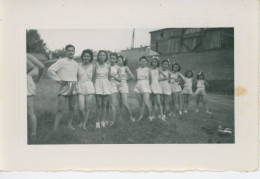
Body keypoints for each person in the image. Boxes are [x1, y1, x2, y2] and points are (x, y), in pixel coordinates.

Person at [48, 44, 79, 131]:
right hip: (65, 85)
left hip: (74, 85)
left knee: (72, 107)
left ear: (74, 52)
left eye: (72, 51)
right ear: (66, 52)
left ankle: (69, 124)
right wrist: (58, 80)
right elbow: (50, 70)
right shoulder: (61, 61)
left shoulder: (76, 64)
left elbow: (76, 75)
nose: (70, 52)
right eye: (69, 50)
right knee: (60, 108)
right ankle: (55, 128)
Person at [27, 53, 45, 141]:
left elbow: (30, 66)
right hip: (29, 81)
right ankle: (33, 134)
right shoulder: (28, 55)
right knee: (30, 111)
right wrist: (37, 79)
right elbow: (41, 67)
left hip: (23, 80)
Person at [76, 49, 95, 130]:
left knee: (87, 107)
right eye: (85, 56)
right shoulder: (78, 65)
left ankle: (84, 124)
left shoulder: (93, 66)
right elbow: (76, 77)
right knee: (81, 108)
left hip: (89, 87)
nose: (86, 57)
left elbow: (94, 78)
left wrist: (91, 85)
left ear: (90, 57)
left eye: (88, 56)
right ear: (82, 56)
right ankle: (81, 120)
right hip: (80, 86)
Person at [93, 50, 112, 128]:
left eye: (103, 55)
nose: (102, 57)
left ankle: (103, 121)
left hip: (106, 85)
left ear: (106, 57)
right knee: (99, 104)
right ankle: (97, 122)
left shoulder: (108, 66)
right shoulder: (95, 65)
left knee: (104, 104)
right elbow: (93, 77)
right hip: (97, 84)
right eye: (100, 55)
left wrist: (107, 85)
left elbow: (109, 77)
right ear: (98, 56)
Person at [117, 55, 135, 122]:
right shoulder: (116, 67)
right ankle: (121, 117)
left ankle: (131, 117)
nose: (118, 61)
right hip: (117, 85)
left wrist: (125, 80)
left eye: (119, 60)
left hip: (124, 85)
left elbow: (132, 77)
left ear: (123, 60)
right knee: (120, 103)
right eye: (117, 60)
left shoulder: (125, 67)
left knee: (124, 103)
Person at [134, 56, 152, 121]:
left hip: (146, 86)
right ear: (140, 62)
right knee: (141, 103)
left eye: (144, 61)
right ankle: (141, 116)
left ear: (146, 62)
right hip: (138, 85)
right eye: (142, 61)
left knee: (146, 103)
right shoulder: (137, 70)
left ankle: (150, 116)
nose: (143, 62)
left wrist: (148, 86)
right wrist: (139, 84)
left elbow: (151, 79)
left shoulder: (148, 69)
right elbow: (135, 78)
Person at [150, 57, 167, 121]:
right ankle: (152, 116)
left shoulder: (159, 69)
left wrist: (159, 79)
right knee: (153, 103)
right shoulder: (149, 69)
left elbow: (165, 77)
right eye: (153, 62)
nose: (154, 63)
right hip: (151, 85)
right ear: (151, 63)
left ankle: (162, 116)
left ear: (157, 63)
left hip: (156, 86)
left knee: (158, 103)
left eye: (156, 62)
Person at [108, 53, 121, 126]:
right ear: (109, 58)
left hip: (113, 85)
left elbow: (120, 80)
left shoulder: (118, 68)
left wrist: (114, 77)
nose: (112, 60)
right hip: (106, 85)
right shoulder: (106, 66)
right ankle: (106, 120)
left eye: (114, 59)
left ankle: (112, 121)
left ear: (116, 60)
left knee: (111, 104)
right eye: (111, 58)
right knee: (106, 105)